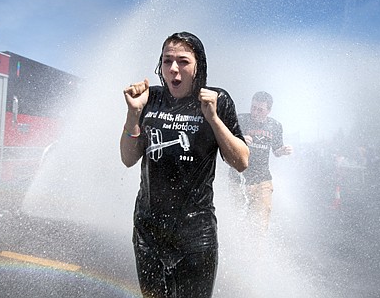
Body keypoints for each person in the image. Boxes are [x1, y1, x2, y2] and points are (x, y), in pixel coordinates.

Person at [120, 32, 249, 298]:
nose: (174, 69)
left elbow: (242, 161)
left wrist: (213, 119)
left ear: (198, 65)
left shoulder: (217, 99)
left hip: (195, 235)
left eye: (183, 61)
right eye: (167, 61)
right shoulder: (150, 99)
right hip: (149, 230)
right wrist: (133, 113)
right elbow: (128, 158)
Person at [229, 91, 293, 233]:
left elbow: (276, 151)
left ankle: (257, 252)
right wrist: (240, 139)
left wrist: (282, 151)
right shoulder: (240, 120)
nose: (255, 112)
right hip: (238, 179)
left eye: (260, 109)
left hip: (262, 180)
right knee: (237, 221)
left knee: (260, 222)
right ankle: (238, 249)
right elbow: (226, 144)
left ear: (268, 111)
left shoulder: (275, 126)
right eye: (253, 107)